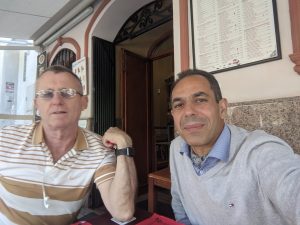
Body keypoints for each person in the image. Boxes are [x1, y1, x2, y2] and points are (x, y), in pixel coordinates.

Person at [0, 65, 137, 225]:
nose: (57, 101)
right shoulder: (4, 139)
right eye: (47, 94)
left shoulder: (99, 149)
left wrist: (124, 144)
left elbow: (123, 212)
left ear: (83, 102)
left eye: (67, 93)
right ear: (36, 104)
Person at [169, 69, 300, 225]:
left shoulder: (260, 153)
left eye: (200, 100)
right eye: (179, 105)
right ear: (173, 116)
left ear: (222, 108)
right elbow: (180, 204)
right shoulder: (176, 148)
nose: (188, 111)